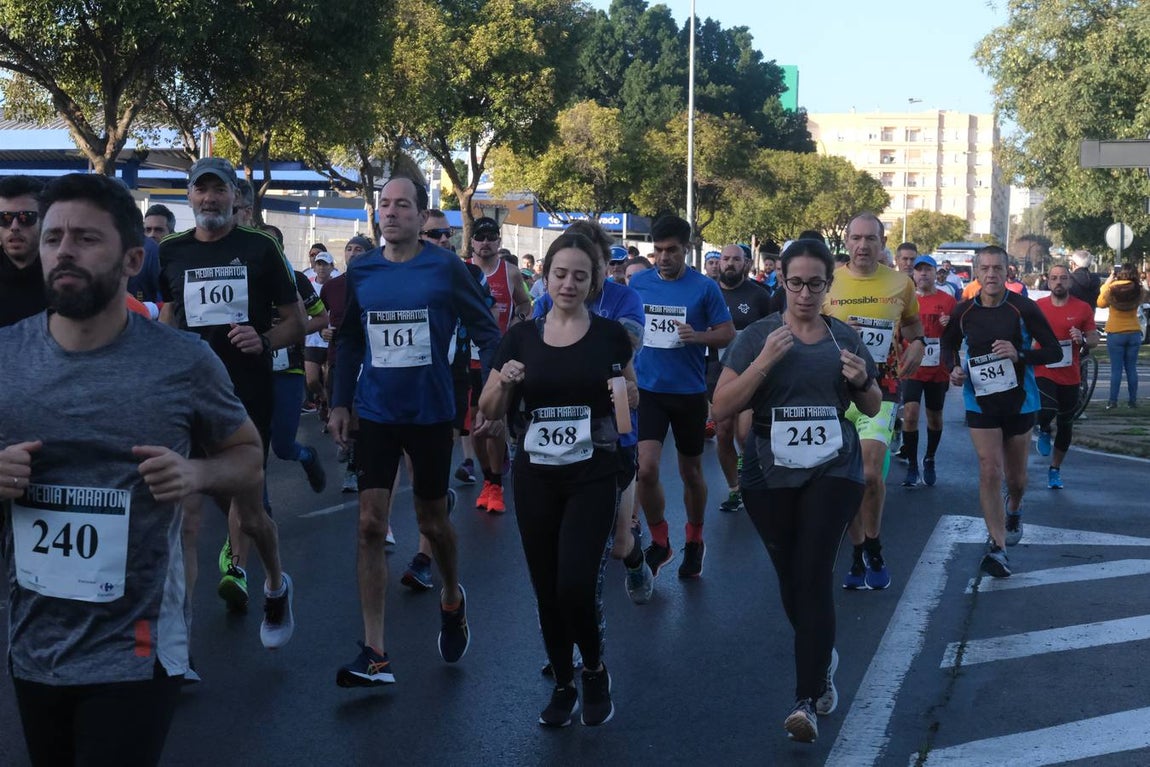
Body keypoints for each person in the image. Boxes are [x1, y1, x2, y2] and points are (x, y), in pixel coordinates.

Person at [1, 173, 270, 766]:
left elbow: (249, 457)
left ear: (131, 259)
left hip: (138, 646)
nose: (63, 251)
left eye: (85, 239)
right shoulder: (6, 357)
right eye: (53, 238)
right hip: (34, 642)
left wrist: (196, 475)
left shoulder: (182, 361)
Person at [328, 176, 501, 685]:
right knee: (368, 525)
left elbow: (489, 332)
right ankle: (375, 652)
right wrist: (340, 401)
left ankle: (451, 595)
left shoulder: (446, 267)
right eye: (384, 204)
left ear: (422, 215)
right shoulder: (363, 270)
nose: (391, 212)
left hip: (430, 413)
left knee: (432, 521)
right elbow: (352, 341)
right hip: (377, 412)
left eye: (402, 205)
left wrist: (493, 392)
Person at [712, 238, 880, 743]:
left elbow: (872, 407)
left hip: (834, 468)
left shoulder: (842, 337)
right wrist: (764, 361)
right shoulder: (759, 335)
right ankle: (821, 652)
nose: (805, 293)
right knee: (791, 578)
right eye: (795, 283)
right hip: (769, 474)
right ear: (780, 281)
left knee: (812, 570)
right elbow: (721, 406)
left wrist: (861, 380)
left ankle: (805, 699)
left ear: (829, 285)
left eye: (816, 284)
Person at [479, 231, 635, 727]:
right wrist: (504, 382)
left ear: (593, 283)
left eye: (580, 276)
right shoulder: (521, 338)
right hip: (535, 475)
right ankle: (564, 682)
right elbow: (487, 410)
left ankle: (593, 669)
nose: (569, 283)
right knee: (546, 586)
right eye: (560, 274)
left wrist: (625, 398)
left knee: (574, 582)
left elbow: (630, 400)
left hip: (592, 472)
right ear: (544, 277)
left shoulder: (611, 335)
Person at [158, 157, 300, 621]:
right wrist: (163, 356)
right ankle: (181, 641)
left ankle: (276, 582)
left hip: (245, 391)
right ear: (189, 196)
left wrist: (262, 340)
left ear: (236, 197)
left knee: (250, 507)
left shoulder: (260, 247)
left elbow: (297, 320)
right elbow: (167, 314)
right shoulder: (172, 251)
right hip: (186, 395)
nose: (208, 199)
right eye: (200, 190)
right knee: (189, 515)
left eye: (218, 190)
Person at [940, 246, 1061, 577]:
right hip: (979, 400)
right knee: (989, 469)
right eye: (985, 268)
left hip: (1020, 401)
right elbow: (947, 345)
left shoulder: (1024, 308)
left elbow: (1052, 351)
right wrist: (953, 369)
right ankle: (998, 547)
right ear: (976, 272)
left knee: (1016, 478)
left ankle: (1015, 506)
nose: (991, 274)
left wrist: (1019, 354)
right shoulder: (963, 311)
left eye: (998, 268)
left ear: (1008, 271)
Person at [628, 215, 735, 580]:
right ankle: (661, 540)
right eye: (657, 250)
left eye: (671, 250)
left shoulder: (704, 288)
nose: (663, 257)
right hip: (648, 391)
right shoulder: (638, 282)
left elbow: (727, 333)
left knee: (690, 471)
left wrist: (698, 336)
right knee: (646, 468)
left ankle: (695, 538)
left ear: (686, 250)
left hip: (688, 392)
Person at [823, 213, 925, 590]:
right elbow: (803, 328)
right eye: (856, 238)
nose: (863, 245)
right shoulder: (828, 282)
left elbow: (914, 326)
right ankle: (857, 548)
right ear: (846, 242)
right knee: (842, 479)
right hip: (832, 390)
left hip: (880, 388)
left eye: (871, 239)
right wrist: (832, 332)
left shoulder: (901, 283)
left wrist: (918, 344)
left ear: (883, 243)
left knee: (868, 473)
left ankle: (875, 544)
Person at [467, 216, 532, 514]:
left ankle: (495, 484)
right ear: (471, 242)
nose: (485, 242)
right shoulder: (461, 271)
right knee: (473, 427)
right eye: (480, 237)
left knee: (493, 423)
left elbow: (525, 304)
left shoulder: (511, 273)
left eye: (491, 237)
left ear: (499, 241)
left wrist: (515, 331)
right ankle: (488, 475)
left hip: (497, 360)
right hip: (466, 359)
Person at [711, 244, 773, 513]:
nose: (730, 264)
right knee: (723, 434)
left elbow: (772, 331)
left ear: (746, 264)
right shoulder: (708, 293)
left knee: (746, 435)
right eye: (725, 259)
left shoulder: (760, 296)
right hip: (717, 372)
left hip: (750, 374)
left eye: (736, 259)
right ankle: (735, 489)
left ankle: (756, 481)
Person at [1034, 265, 1099, 488]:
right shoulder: (1038, 307)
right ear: (1048, 282)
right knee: (1047, 408)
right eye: (1054, 278)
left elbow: (1094, 339)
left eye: (1063, 278)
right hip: (1043, 369)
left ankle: (1055, 469)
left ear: (1069, 282)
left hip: (1070, 374)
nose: (1058, 282)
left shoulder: (1082, 309)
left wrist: (1082, 337)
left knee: (1065, 424)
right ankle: (1043, 428)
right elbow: (1023, 332)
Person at [320, 235, 374, 493]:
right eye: (349, 249)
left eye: (359, 249)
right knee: (341, 407)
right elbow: (323, 319)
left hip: (369, 358)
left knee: (357, 412)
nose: (353, 253)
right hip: (338, 356)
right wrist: (324, 333)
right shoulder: (331, 287)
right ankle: (350, 447)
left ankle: (354, 466)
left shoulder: (376, 280)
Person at [900, 255, 955, 487]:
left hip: (937, 369)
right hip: (912, 366)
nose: (923, 274)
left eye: (928, 270)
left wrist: (949, 324)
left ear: (936, 273)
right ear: (913, 274)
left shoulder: (948, 300)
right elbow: (897, 330)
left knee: (934, 417)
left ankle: (929, 457)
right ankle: (912, 463)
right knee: (910, 415)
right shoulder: (904, 300)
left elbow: (957, 336)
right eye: (919, 270)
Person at [0, 176, 47, 328]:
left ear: (45, 220)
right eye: (4, 218)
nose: (14, 226)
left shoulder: (63, 278)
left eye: (25, 217)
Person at [1098, 264, 1147, 409]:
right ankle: (1133, 401)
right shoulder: (1138, 289)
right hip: (1133, 331)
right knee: (1131, 368)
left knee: (1116, 369)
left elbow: (1100, 303)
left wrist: (1107, 282)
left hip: (1116, 331)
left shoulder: (1112, 289)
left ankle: (1113, 401)